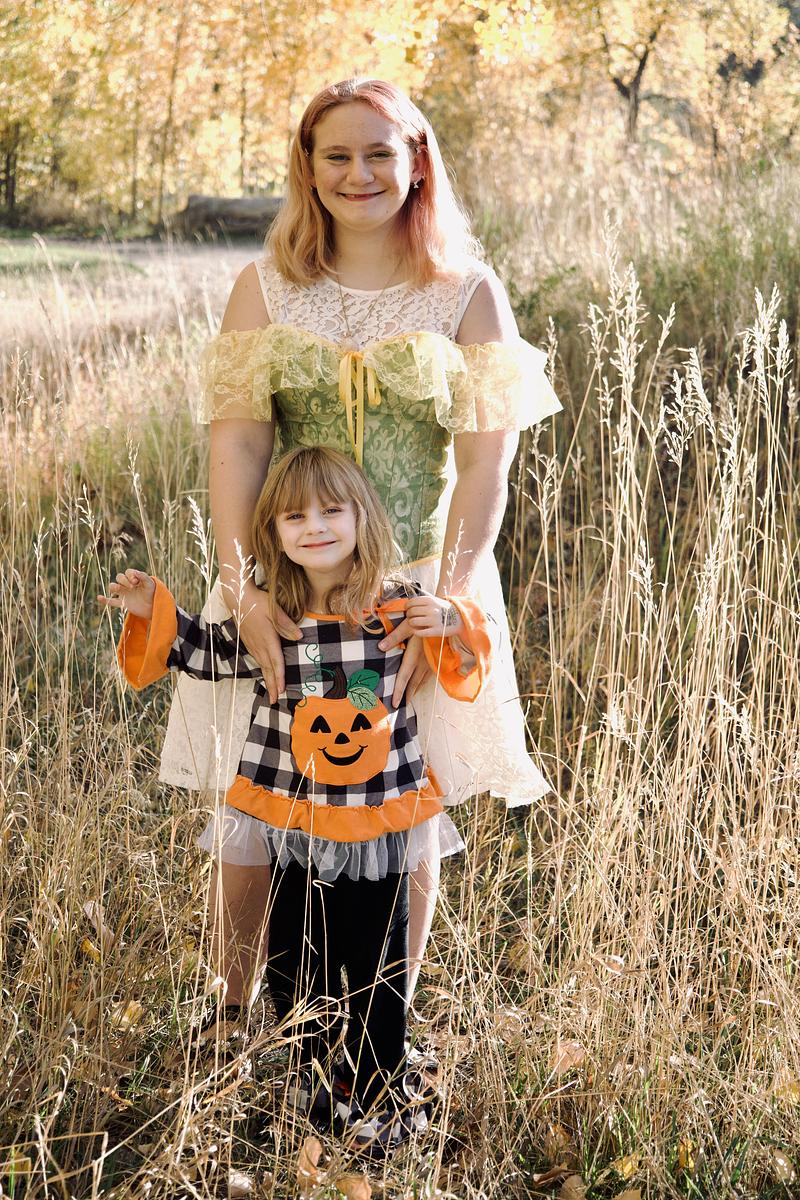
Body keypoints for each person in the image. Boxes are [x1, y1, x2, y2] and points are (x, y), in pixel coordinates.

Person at [158, 77, 561, 1029]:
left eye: (380, 152)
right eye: (336, 154)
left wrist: (449, 603)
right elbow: (237, 445)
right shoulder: (265, 287)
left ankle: (390, 1022)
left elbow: (486, 464)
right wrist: (242, 590)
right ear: (307, 168)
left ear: (417, 160)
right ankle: (233, 1011)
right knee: (255, 800)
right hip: (283, 581)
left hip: (418, 580)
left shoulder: (466, 291)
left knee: (408, 806)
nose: (359, 173)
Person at [100, 446, 494, 1152]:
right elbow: (204, 652)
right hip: (293, 816)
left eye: (331, 510)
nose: (314, 526)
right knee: (296, 959)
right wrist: (151, 607)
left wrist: (451, 618)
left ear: (362, 518)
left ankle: (375, 1090)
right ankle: (306, 1082)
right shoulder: (272, 616)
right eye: (294, 517)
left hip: (376, 818)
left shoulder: (396, 607)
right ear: (273, 533)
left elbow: (463, 657)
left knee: (376, 963)